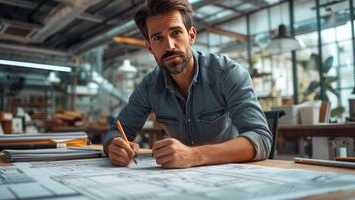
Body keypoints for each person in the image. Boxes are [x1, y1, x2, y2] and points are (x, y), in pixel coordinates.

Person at [103, 0, 272, 169]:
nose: (169, 46)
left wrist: (194, 155)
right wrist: (114, 146)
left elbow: (261, 139)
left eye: (176, 32)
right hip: (180, 178)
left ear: (191, 36)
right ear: (149, 47)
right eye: (157, 38)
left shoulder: (227, 73)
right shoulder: (150, 86)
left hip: (232, 173)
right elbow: (115, 131)